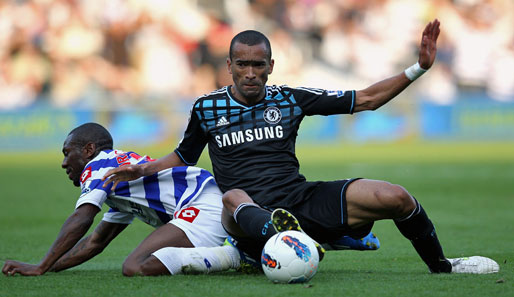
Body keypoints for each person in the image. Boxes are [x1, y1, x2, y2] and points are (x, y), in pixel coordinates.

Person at [102, 19, 499, 274]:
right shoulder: (207, 107)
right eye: (243, 64)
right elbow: (185, 155)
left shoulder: (290, 98)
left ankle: (442, 266)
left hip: (298, 198)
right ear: (230, 66)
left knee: (394, 196)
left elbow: (366, 99)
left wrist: (419, 69)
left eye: (259, 65)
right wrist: (142, 168)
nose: (251, 73)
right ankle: (280, 239)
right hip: (242, 214)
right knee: (234, 194)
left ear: (271, 66)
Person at [2, 123, 241, 277]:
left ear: (88, 150)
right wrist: (49, 266)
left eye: (67, 153)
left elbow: (83, 216)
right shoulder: (117, 180)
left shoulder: (98, 167)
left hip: (199, 204)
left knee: (135, 266)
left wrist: (40, 266)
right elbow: (96, 242)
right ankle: (234, 248)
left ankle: (232, 255)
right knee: (136, 264)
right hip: (204, 203)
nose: (64, 163)